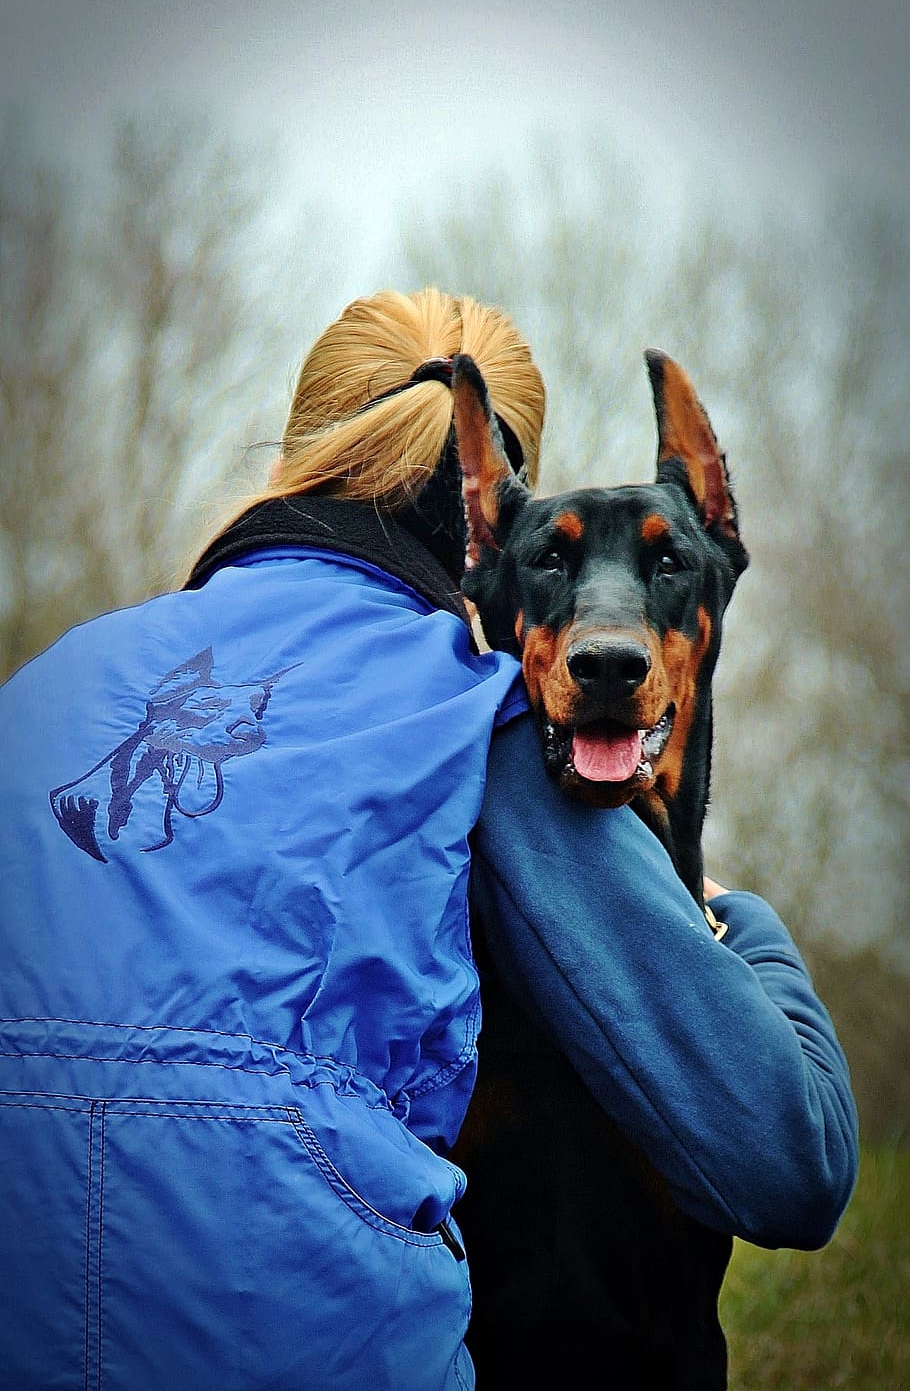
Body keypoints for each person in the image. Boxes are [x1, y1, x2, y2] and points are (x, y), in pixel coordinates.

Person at [0, 288, 857, 1390]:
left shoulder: (42, 692)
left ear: (303, 447)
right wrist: (736, 917)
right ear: (479, 509)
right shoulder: (473, 720)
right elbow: (790, 1164)